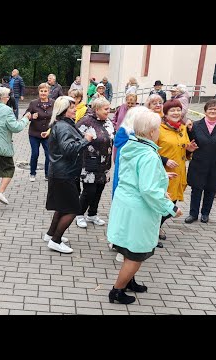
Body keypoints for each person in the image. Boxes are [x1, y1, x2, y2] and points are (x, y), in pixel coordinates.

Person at [107, 110, 183, 304]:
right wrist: (171, 208)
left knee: (130, 249)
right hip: (138, 210)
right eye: (157, 129)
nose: (159, 132)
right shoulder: (148, 154)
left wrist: (162, 178)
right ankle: (117, 291)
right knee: (136, 254)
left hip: (126, 204)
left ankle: (128, 282)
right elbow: (148, 190)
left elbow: (134, 176)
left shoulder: (131, 146)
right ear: (150, 132)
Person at [45, 96, 93, 254]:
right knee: (73, 208)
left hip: (61, 172)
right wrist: (85, 140)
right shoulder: (64, 126)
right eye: (72, 107)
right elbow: (68, 149)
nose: (75, 109)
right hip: (64, 174)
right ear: (64, 110)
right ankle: (56, 241)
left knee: (61, 206)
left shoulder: (63, 124)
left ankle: (50, 234)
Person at [0, 87, 30, 205]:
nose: (8, 98)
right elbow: (16, 127)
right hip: (1, 146)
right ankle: (0, 192)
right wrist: (25, 119)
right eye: (7, 96)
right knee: (9, 169)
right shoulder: (6, 110)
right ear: (2, 97)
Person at [157, 99, 198, 241]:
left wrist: (189, 150)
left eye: (178, 110)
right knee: (162, 204)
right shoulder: (158, 128)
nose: (176, 113)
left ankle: (156, 227)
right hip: (162, 172)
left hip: (178, 173)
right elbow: (149, 150)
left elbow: (184, 149)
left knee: (172, 204)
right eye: (172, 110)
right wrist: (165, 160)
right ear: (165, 113)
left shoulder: (182, 128)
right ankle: (153, 231)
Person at [75, 98, 114, 229]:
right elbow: (76, 139)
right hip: (89, 163)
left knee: (99, 189)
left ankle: (92, 214)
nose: (109, 111)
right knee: (89, 191)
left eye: (109, 109)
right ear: (97, 110)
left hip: (104, 164)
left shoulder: (107, 122)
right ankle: (79, 214)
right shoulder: (86, 121)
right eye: (106, 109)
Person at [24, 83, 54, 182]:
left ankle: (47, 174)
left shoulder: (53, 103)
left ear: (49, 92)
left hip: (47, 133)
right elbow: (26, 115)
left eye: (45, 91)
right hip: (34, 133)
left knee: (48, 154)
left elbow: (57, 116)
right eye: (41, 91)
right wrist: (32, 116)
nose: (43, 93)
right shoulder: (33, 103)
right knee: (35, 153)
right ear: (39, 91)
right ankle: (32, 173)